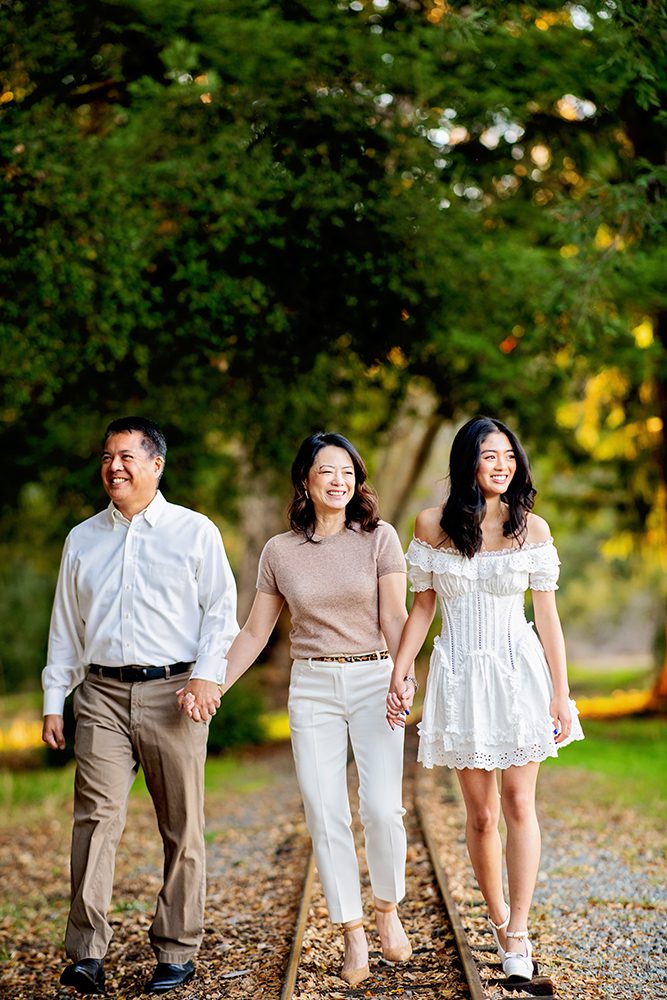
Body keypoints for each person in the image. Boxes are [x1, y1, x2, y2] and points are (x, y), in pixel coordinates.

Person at [179, 431, 413, 987]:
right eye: (327, 471)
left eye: (348, 472)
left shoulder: (380, 538)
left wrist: (403, 677)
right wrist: (212, 681)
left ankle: (387, 910)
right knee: (322, 806)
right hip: (311, 686)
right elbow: (257, 630)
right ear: (305, 482)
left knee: (382, 808)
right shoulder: (279, 551)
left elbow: (397, 617)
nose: (339, 480)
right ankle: (352, 931)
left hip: (374, 676)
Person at [42, 416, 238, 996]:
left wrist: (207, 678)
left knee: (182, 826)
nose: (114, 467)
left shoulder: (195, 531)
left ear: (156, 464)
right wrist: (56, 699)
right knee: (95, 820)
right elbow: (66, 628)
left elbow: (220, 613)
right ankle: (85, 953)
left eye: (127, 456)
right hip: (99, 693)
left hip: (173, 692)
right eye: (107, 457)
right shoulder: (82, 538)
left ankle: (177, 948)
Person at [386, 415, 584, 984]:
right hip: (461, 678)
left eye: (509, 456)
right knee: (481, 814)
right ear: (466, 462)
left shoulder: (533, 530)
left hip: (520, 674)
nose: (502, 465)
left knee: (520, 804)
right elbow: (421, 606)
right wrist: (401, 673)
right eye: (489, 455)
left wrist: (561, 695)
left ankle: (519, 932)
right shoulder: (431, 525)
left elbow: (548, 621)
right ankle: (498, 920)